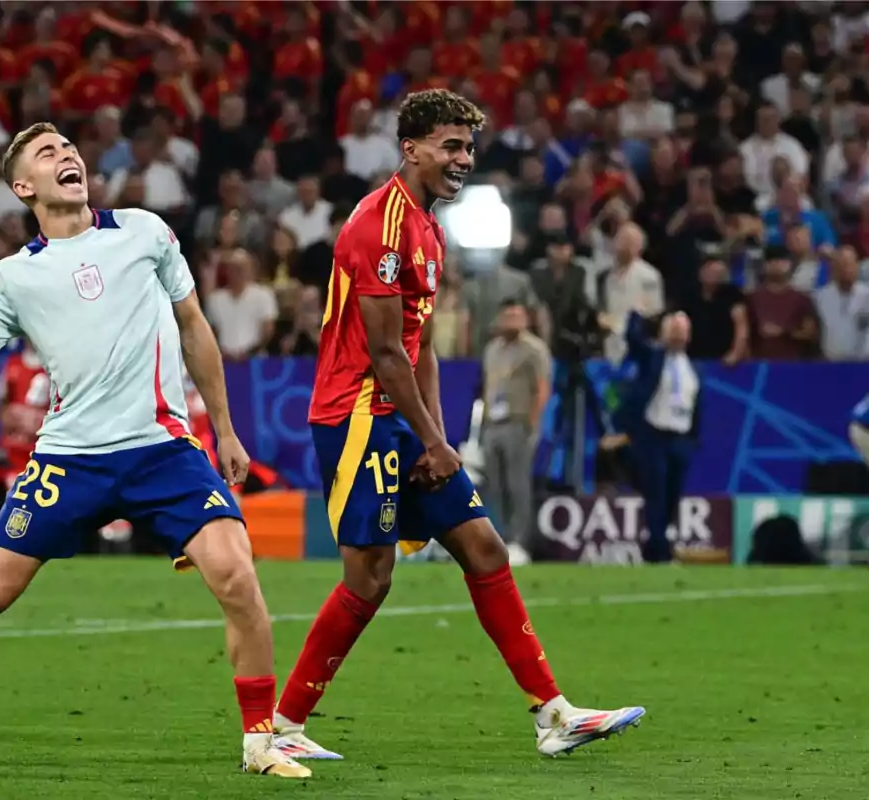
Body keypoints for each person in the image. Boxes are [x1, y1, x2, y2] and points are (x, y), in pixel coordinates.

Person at [0, 122, 309, 779]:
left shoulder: (145, 231)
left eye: (69, 148)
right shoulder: (14, 277)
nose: (67, 155)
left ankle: (259, 746)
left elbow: (194, 327)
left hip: (163, 451)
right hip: (67, 462)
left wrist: (223, 428)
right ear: (25, 186)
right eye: (49, 153)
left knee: (238, 578)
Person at [272, 89, 644, 762]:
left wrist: (438, 441)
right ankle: (282, 725)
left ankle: (554, 714)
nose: (463, 159)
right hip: (355, 414)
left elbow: (422, 348)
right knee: (369, 577)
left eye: (468, 147)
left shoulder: (429, 229)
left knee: (485, 548)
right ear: (411, 149)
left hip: (400, 416)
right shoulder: (378, 227)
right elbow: (384, 354)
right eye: (450, 146)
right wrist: (434, 440)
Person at [613, 311, 701, 563]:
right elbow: (633, 338)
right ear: (664, 333)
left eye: (682, 331)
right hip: (654, 436)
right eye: (673, 330)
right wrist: (636, 314)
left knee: (672, 496)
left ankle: (655, 548)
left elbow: (697, 404)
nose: (677, 335)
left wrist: (694, 437)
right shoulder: (653, 358)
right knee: (656, 495)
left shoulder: (693, 367)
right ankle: (660, 551)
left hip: (681, 438)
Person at [480, 298, 551, 566]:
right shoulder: (492, 349)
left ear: (526, 320)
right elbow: (488, 384)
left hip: (518, 420)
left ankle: (520, 542)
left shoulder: (535, 350)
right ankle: (501, 538)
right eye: (507, 316)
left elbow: (542, 388)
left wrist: (532, 423)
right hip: (493, 423)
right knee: (495, 484)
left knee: (517, 484)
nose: (512, 321)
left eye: (517, 316)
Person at [0, 340, 49, 486]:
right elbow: (2, 402)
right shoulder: (12, 364)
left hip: (42, 445)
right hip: (15, 447)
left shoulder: (55, 368)